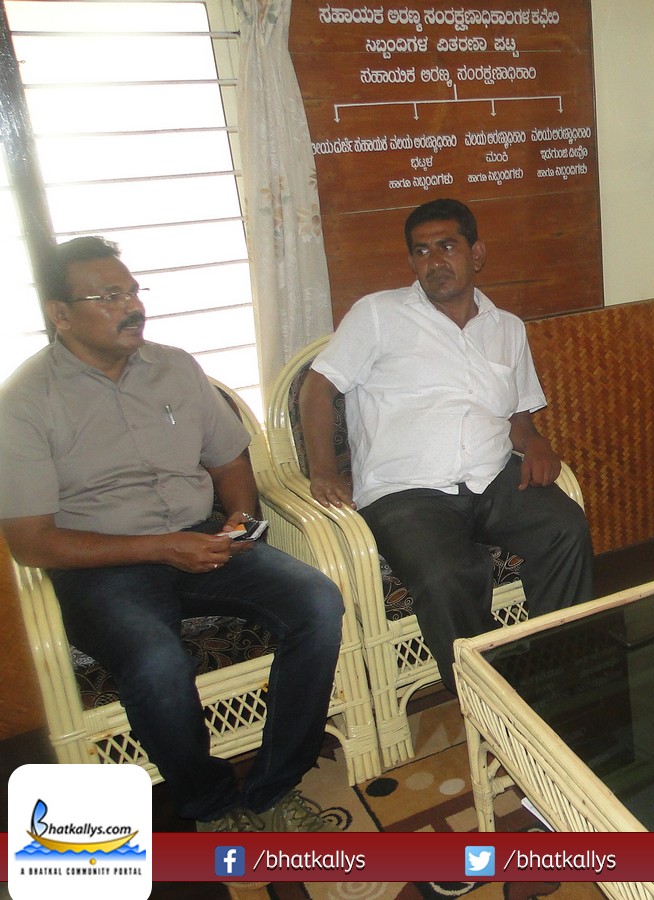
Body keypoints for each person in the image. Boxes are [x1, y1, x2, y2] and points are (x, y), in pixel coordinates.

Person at [0, 237, 343, 833]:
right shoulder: (25, 402)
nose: (131, 306)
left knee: (317, 600)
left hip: (202, 539)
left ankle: (275, 787)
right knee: (157, 661)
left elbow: (230, 461)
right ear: (61, 314)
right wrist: (160, 548)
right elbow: (31, 542)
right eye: (108, 297)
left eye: (133, 291)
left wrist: (241, 523)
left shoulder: (176, 367)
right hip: (103, 567)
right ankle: (210, 805)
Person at [299, 197, 594, 691]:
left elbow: (517, 414)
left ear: (476, 254)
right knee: (449, 572)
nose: (434, 261)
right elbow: (317, 388)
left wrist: (537, 443)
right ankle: (488, 696)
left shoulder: (507, 328)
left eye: (447, 246)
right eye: (421, 251)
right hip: (405, 492)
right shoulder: (378, 315)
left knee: (565, 528)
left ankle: (562, 673)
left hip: (491, 477)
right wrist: (324, 471)